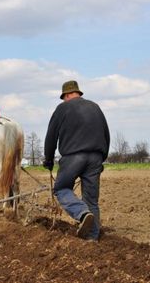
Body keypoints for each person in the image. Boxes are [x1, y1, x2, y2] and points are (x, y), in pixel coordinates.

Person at [43, 80, 110, 241]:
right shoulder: (95, 107)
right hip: (96, 157)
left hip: (73, 156)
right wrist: (101, 158)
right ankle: (92, 238)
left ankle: (82, 213)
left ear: (66, 95)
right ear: (78, 93)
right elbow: (106, 134)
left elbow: (51, 137)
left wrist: (49, 160)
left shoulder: (62, 108)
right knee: (91, 200)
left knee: (61, 188)